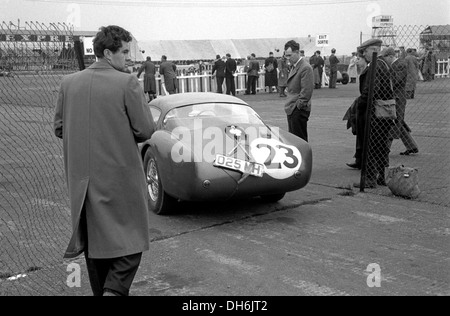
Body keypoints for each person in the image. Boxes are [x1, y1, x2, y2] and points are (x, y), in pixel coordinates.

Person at [53, 25, 155, 296]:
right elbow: (145, 130)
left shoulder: (69, 83)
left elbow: (60, 128)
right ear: (108, 53)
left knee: (96, 248)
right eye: (123, 51)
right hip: (119, 179)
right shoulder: (127, 82)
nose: (127, 57)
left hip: (82, 182)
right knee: (131, 245)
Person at [353, 38, 395, 189]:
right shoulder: (383, 64)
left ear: (375, 50)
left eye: (366, 51)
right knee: (381, 147)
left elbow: (371, 91)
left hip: (374, 113)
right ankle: (383, 177)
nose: (364, 54)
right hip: (383, 113)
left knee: (370, 146)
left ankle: (370, 179)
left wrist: (360, 103)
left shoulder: (375, 66)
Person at [380, 47, 419, 156]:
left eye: (385, 57)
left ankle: (385, 149)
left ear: (391, 56)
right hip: (395, 97)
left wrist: (385, 75)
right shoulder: (395, 65)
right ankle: (411, 146)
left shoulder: (400, 64)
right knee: (398, 121)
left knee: (393, 121)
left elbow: (395, 80)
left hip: (398, 97)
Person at [283, 40, 314, 142]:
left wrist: (298, 106)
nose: (288, 58)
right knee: (294, 141)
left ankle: (303, 158)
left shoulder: (305, 68)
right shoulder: (295, 66)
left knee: (299, 141)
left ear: (297, 52)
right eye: (286, 56)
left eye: (289, 55)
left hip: (298, 109)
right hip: (292, 108)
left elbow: (307, 91)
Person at [347, 53, 368, 170]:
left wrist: (359, 102)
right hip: (361, 106)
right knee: (359, 133)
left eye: (359, 59)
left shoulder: (368, 71)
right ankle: (359, 159)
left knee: (363, 134)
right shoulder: (364, 71)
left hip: (364, 107)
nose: (357, 62)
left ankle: (362, 161)